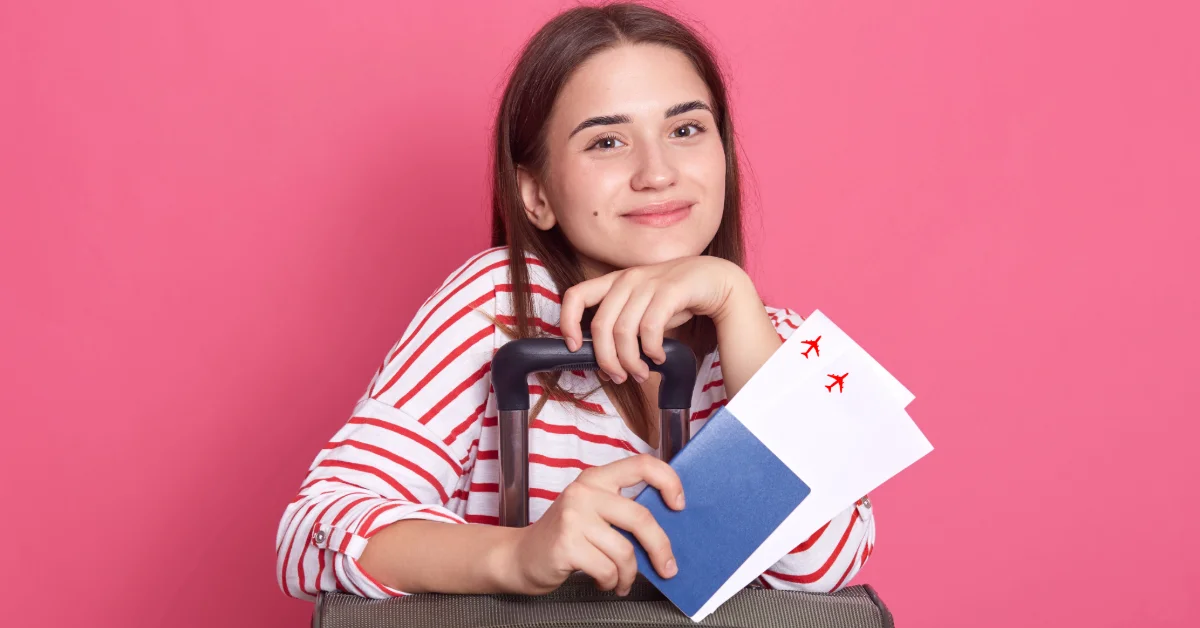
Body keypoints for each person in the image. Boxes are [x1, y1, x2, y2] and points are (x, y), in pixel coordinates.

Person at [276, 2, 875, 602]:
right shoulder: (495, 304)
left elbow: (828, 564)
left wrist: (732, 296)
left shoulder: (784, 342)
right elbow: (310, 535)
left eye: (686, 129)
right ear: (535, 195)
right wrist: (516, 553)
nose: (657, 172)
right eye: (607, 141)